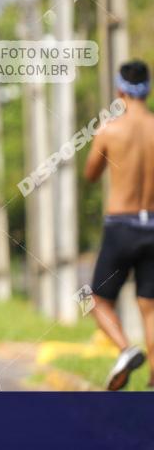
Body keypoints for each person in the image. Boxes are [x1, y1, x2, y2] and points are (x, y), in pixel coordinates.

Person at [84, 60, 154, 391]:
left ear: (119, 89)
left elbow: (91, 173)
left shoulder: (110, 129)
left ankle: (126, 350)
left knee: (95, 299)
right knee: (150, 307)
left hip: (121, 227)